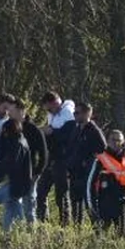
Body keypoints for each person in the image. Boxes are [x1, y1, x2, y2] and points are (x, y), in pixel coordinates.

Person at [0, 109, 35, 235]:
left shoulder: (17, 145)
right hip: (21, 185)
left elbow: (11, 164)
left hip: (16, 184)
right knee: (13, 208)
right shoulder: (22, 142)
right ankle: (15, 237)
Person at [86, 129, 125, 234]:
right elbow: (90, 185)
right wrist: (92, 209)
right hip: (104, 204)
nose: (116, 143)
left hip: (123, 204)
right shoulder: (100, 160)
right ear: (107, 141)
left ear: (123, 142)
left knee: (123, 238)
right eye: (113, 140)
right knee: (100, 238)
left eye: (119, 140)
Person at [37, 91, 77, 224]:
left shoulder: (68, 114)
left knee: (61, 194)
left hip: (63, 160)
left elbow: (69, 136)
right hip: (51, 158)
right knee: (40, 191)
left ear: (55, 103)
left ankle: (65, 224)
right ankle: (43, 222)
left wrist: (52, 132)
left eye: (49, 108)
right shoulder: (52, 115)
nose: (48, 111)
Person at [66, 102, 106, 225]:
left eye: (77, 113)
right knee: (74, 201)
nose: (75, 115)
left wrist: (88, 161)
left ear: (87, 113)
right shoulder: (76, 129)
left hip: (87, 173)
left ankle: (97, 227)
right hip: (74, 172)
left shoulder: (94, 131)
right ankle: (76, 228)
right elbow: (70, 148)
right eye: (74, 113)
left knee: (89, 200)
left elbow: (102, 149)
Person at [12, 99, 48, 223]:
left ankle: (30, 232)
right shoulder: (10, 128)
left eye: (13, 111)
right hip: (14, 172)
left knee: (29, 204)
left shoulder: (34, 130)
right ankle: (15, 232)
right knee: (14, 203)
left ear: (21, 111)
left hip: (30, 172)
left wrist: (37, 173)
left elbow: (43, 154)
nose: (10, 114)